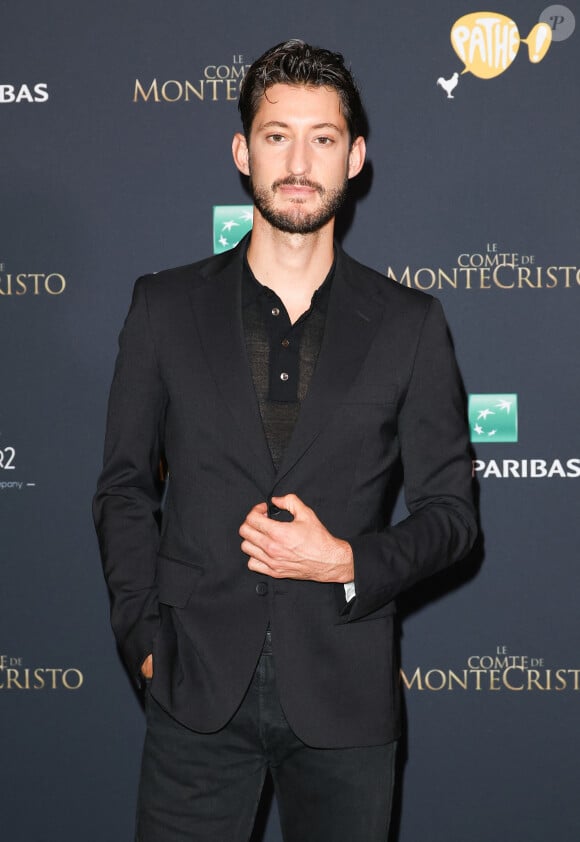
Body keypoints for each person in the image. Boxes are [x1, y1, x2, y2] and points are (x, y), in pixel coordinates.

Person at [94, 39, 477, 842]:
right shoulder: (163, 307)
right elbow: (125, 488)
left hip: (347, 698)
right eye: (277, 135)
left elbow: (451, 518)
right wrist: (144, 641)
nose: (299, 161)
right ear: (242, 151)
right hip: (193, 692)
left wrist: (345, 561)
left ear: (356, 156)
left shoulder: (411, 324)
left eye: (323, 138)